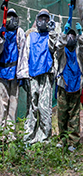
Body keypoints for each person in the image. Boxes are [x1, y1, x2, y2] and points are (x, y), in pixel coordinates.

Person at [18, 9, 57, 144]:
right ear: (37, 20)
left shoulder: (50, 36)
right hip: (32, 76)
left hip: (46, 75)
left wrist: (52, 32)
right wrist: (24, 75)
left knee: (44, 108)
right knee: (32, 108)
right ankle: (29, 138)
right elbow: (25, 56)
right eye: (41, 19)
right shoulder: (31, 36)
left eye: (46, 19)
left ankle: (44, 139)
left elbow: (54, 48)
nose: (43, 21)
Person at [55, 22, 83, 151]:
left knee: (74, 115)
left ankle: (73, 142)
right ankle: (62, 139)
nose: (70, 38)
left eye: (72, 36)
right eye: (68, 36)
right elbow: (58, 45)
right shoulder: (61, 51)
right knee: (62, 114)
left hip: (76, 86)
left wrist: (81, 34)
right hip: (63, 85)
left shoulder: (79, 51)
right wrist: (64, 34)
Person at [0, 9, 25, 133]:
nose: (12, 20)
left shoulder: (19, 32)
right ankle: (1, 135)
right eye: (9, 17)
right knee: (2, 106)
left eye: (13, 17)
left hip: (15, 74)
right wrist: (1, 37)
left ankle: (10, 135)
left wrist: (22, 74)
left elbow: (23, 53)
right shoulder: (2, 32)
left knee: (13, 106)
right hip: (2, 74)